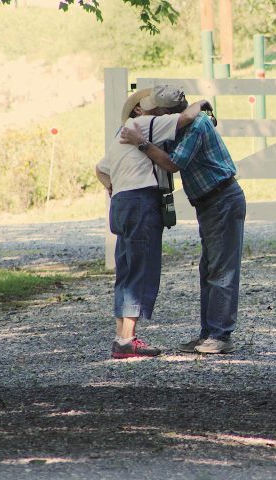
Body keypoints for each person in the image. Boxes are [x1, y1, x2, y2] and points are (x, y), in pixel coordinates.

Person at [120, 91, 246, 355]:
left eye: (156, 112)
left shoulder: (196, 126)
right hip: (210, 201)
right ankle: (208, 334)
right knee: (210, 269)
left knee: (221, 270)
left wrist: (141, 142)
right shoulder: (183, 125)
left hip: (221, 198)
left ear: (169, 114)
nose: (153, 115)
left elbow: (173, 163)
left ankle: (221, 335)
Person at [96, 85, 211, 359]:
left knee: (125, 269)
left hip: (121, 203)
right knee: (142, 267)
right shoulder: (147, 124)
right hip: (141, 200)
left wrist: (112, 186)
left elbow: (100, 169)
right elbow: (186, 118)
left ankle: (121, 337)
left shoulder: (120, 135)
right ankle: (128, 340)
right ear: (141, 110)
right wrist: (203, 101)